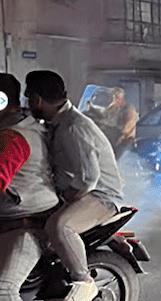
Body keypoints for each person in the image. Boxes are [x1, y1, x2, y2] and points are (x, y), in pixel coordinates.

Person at [24, 70, 124, 301]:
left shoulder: (72, 127)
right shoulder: (56, 122)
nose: (27, 104)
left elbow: (88, 178)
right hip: (80, 189)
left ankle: (83, 281)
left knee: (59, 226)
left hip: (101, 195)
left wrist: (67, 198)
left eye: (28, 98)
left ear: (38, 99)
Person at [0, 73, 60, 301]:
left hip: (26, 223)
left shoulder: (13, 136)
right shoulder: (13, 124)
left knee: (3, 290)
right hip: (10, 216)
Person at [84, 87, 138, 159]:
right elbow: (102, 117)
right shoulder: (111, 108)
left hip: (123, 142)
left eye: (115, 98)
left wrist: (105, 125)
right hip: (110, 140)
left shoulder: (128, 109)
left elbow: (125, 129)